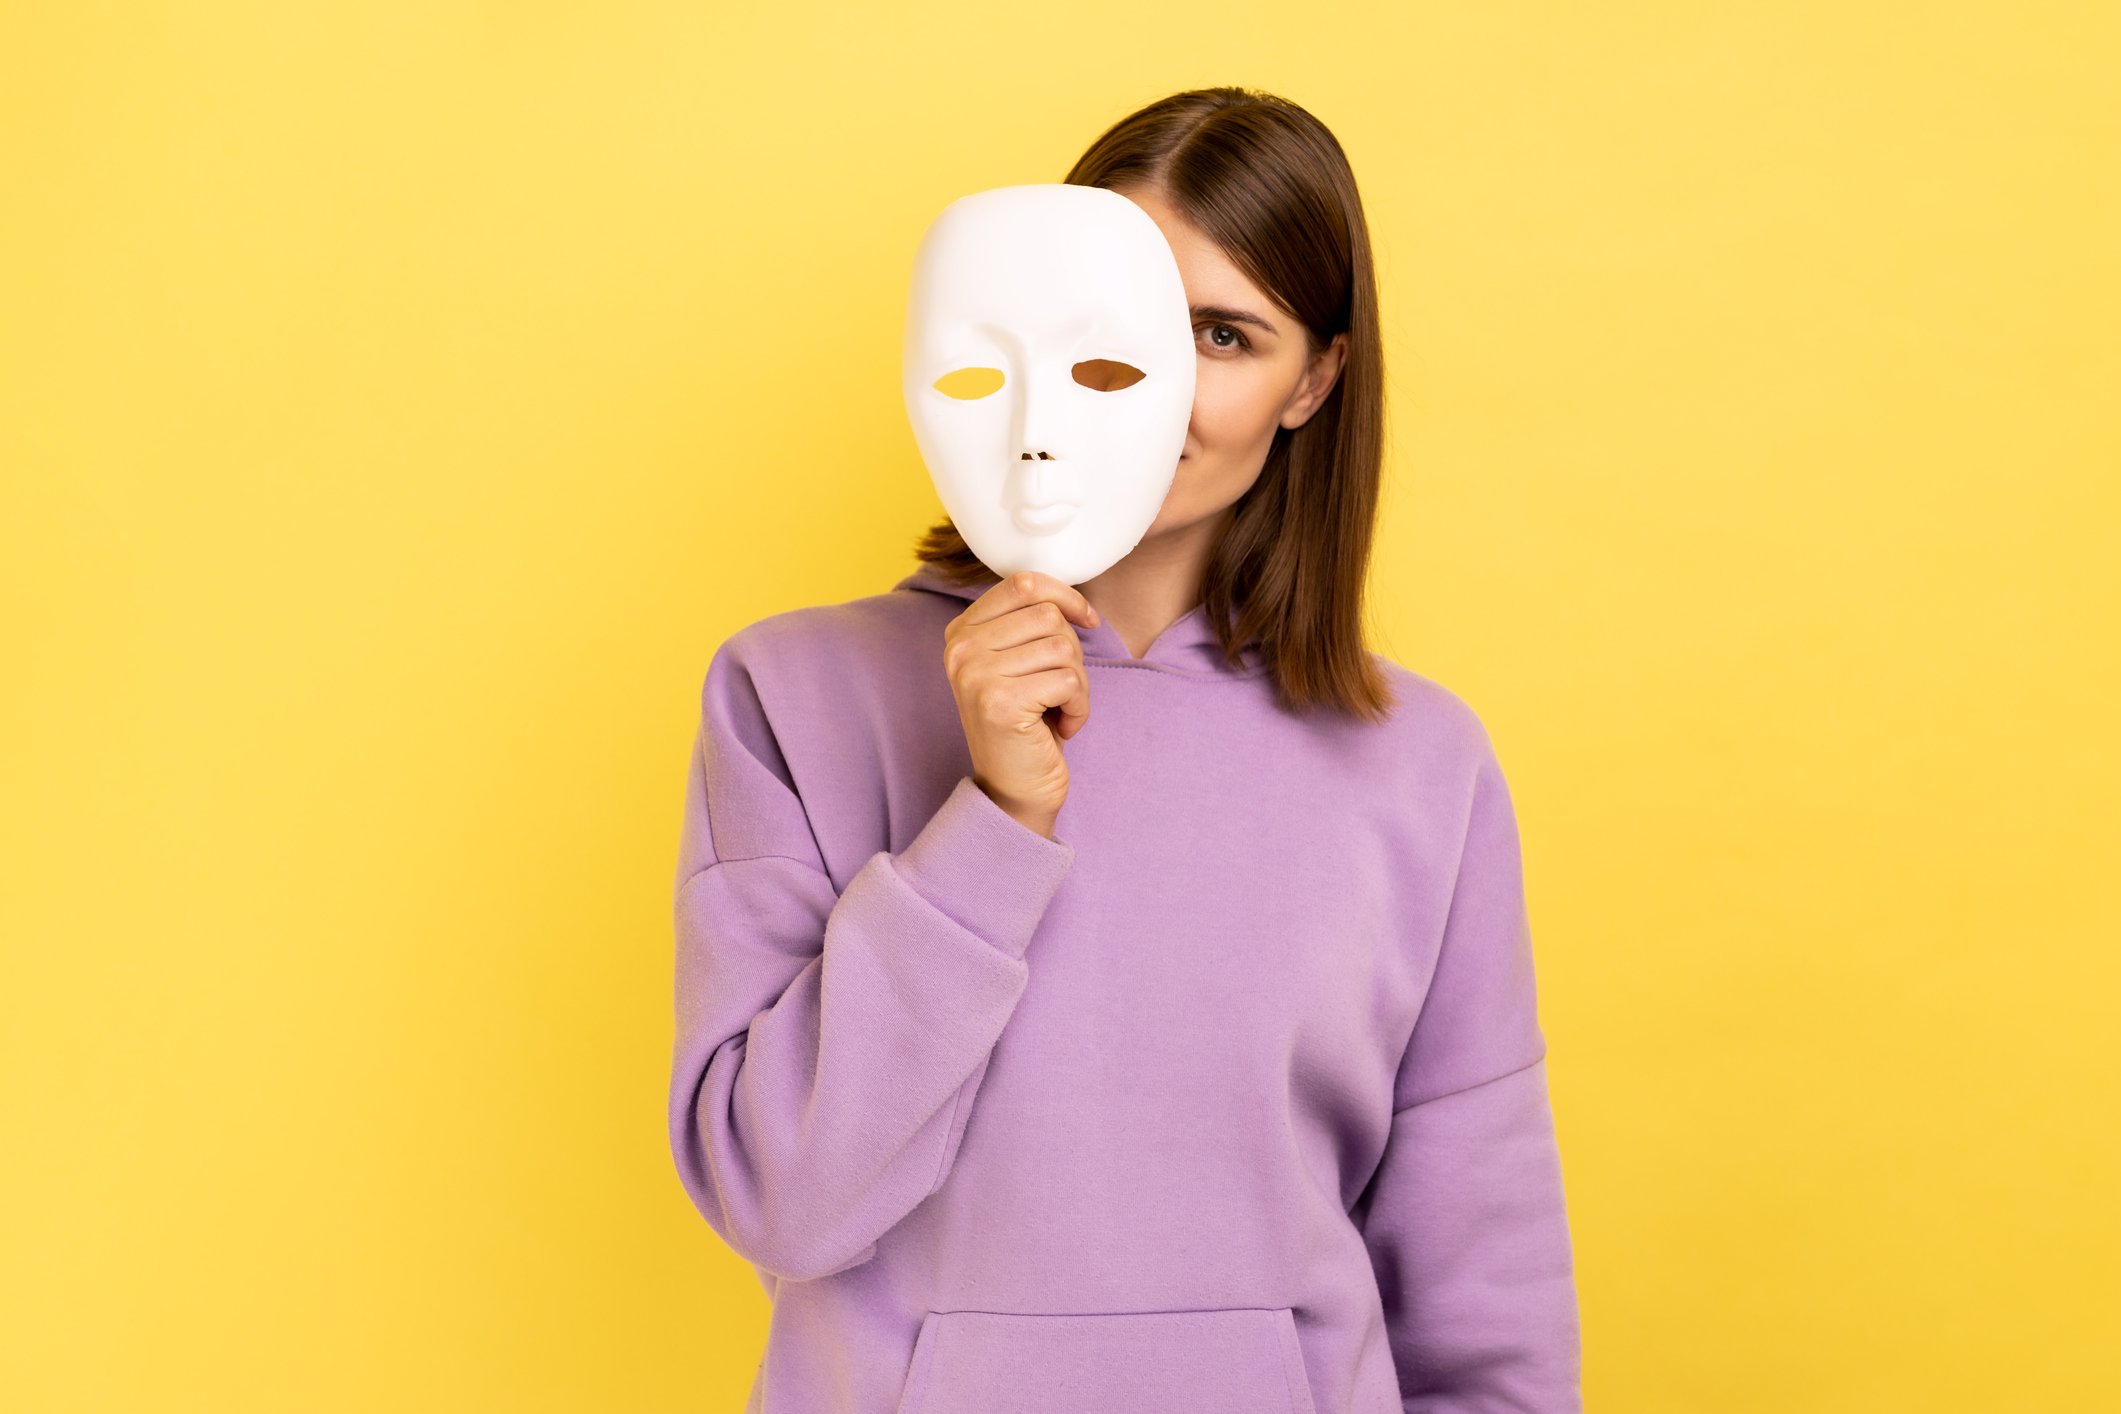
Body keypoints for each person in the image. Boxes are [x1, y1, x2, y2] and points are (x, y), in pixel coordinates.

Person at [668, 86, 1582, 1414]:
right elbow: (784, 1200)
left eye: (1220, 334)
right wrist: (992, 820)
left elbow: (1483, 1297)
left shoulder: (1420, 764)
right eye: (1122, 322)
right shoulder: (793, 694)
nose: (1148, 389)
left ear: (1313, 380)